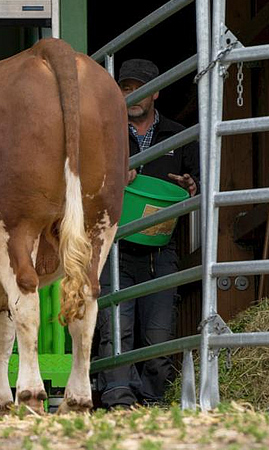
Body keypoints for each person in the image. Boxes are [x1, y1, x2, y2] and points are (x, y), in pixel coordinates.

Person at [96, 58, 199, 410]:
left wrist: (191, 185)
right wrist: (111, 180)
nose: (131, 95)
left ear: (156, 92)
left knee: (159, 331)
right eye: (124, 88)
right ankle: (118, 397)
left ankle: (154, 398)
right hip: (116, 245)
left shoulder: (180, 133)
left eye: (138, 88)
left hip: (161, 246)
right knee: (116, 327)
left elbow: (197, 181)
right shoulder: (104, 133)